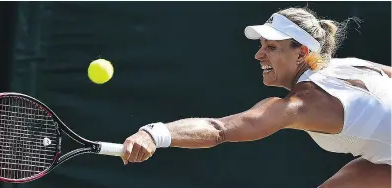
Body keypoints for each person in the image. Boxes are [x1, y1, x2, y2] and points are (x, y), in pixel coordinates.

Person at [121, 7, 392, 188]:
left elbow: (220, 130)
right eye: (261, 46)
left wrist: (154, 134)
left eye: (271, 47)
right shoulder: (352, 65)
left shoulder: (302, 104)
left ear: (302, 53)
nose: (259, 55)